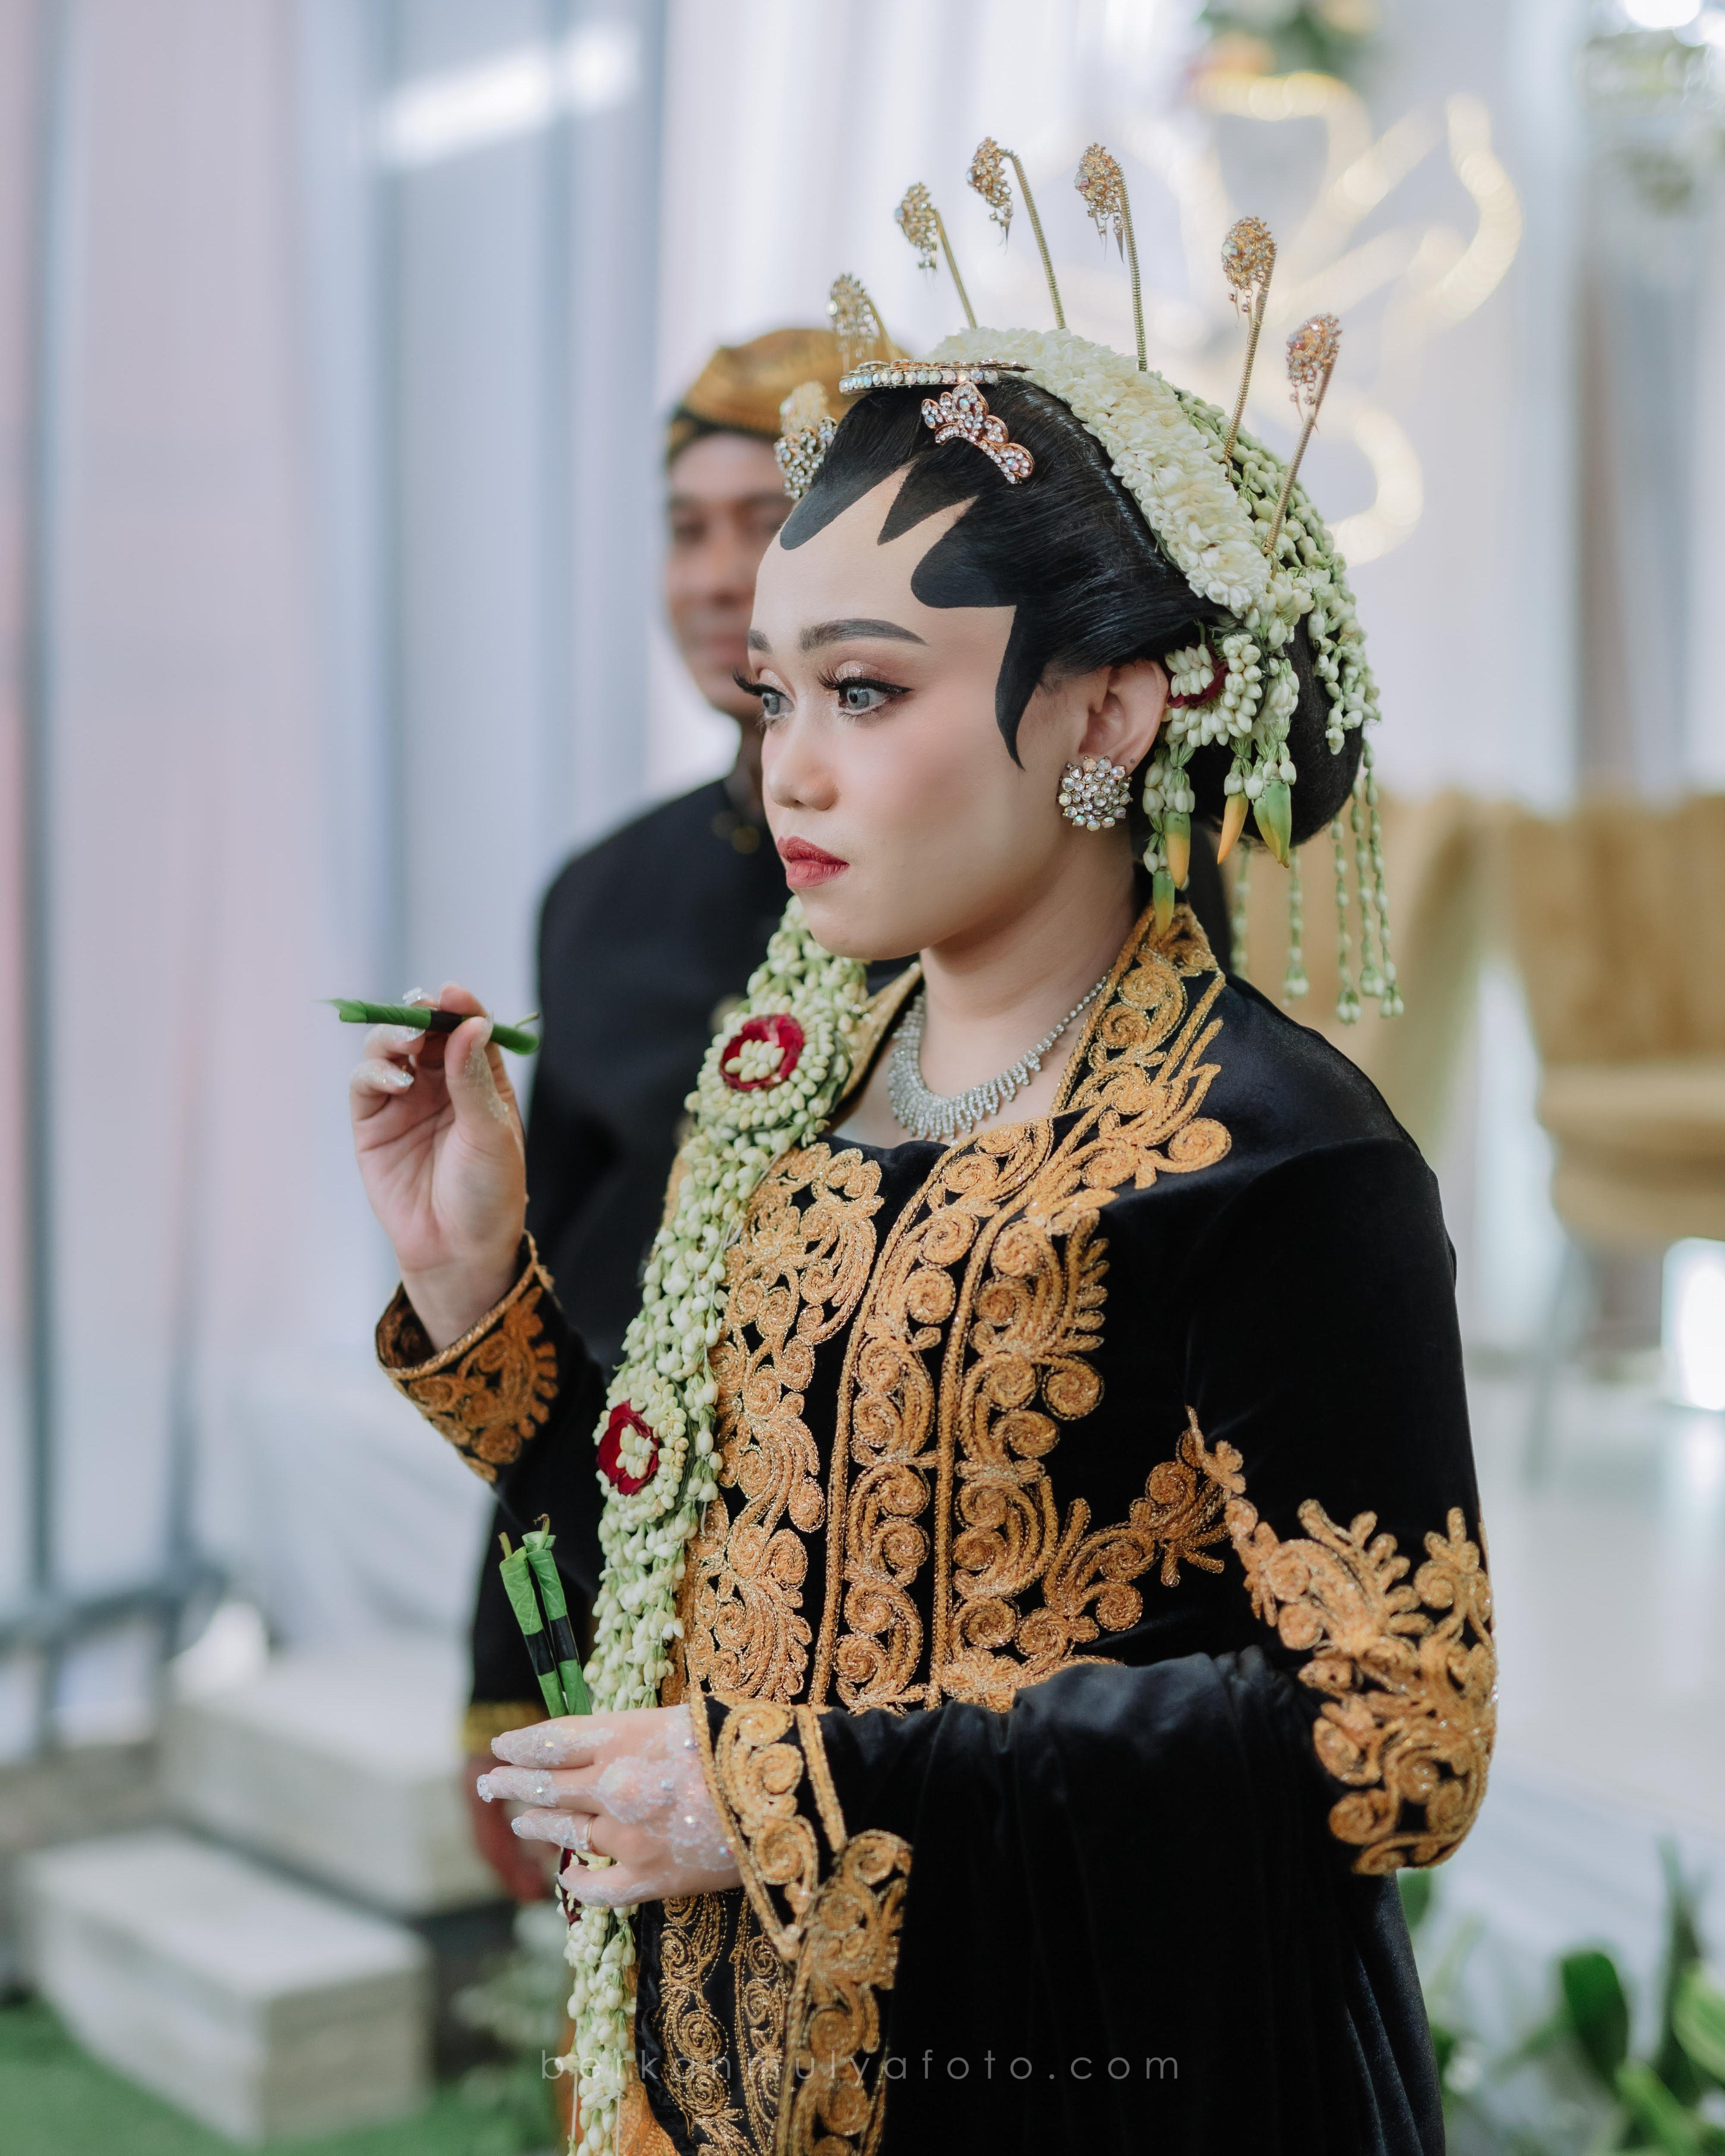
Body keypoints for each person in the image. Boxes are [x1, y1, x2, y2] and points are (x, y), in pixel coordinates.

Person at [351, 170, 1489, 2155]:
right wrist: (481, 1297)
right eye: (773, 693)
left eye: (866, 690)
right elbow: (689, 1572)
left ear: (1109, 708)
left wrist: (792, 1787)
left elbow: (1397, 1741)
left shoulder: (1273, 1154)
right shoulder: (793, 1071)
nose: (787, 763)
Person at [458, 329, 848, 1899]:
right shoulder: (603, 896)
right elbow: (554, 1293)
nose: (712, 576)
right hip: (616, 1569)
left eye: (765, 523)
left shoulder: (987, 903)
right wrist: (508, 1658)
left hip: (874, 1629)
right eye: (686, 528)